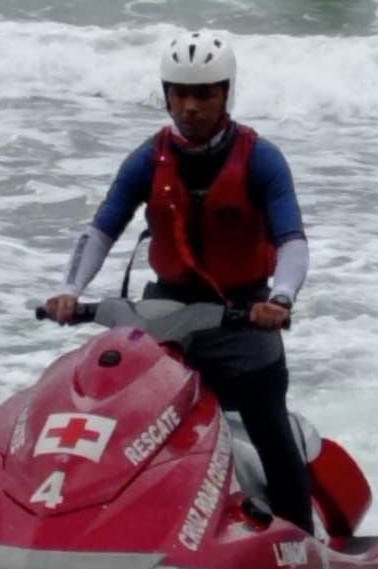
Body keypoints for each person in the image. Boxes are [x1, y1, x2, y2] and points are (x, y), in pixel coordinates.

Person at [44, 30, 315, 535]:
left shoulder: (261, 158)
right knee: (122, 413)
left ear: (225, 93)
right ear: (166, 94)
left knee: (270, 429)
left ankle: (303, 541)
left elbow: (292, 241)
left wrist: (280, 299)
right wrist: (70, 292)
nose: (190, 107)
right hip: (165, 313)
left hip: (244, 316)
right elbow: (102, 228)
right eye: (180, 94)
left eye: (204, 94)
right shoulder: (148, 158)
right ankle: (93, 521)